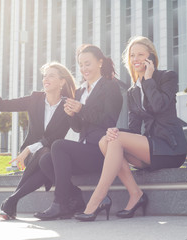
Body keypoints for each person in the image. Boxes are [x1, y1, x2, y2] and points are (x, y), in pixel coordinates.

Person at [75, 36, 187, 221]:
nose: (135, 58)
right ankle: (135, 194)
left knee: (114, 138)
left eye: (141, 54)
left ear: (150, 57)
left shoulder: (166, 77)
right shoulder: (132, 91)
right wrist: (115, 132)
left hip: (170, 148)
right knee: (107, 140)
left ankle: (96, 200)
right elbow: (134, 130)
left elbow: (160, 105)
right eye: (132, 55)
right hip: (149, 150)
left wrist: (149, 79)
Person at [33, 44, 123, 220]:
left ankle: (59, 203)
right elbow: (78, 128)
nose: (83, 69)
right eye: (81, 65)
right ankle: (73, 198)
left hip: (101, 151)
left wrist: (81, 109)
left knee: (58, 145)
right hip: (84, 150)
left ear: (100, 62)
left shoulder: (110, 86)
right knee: (45, 160)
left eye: (87, 64)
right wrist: (71, 115)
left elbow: (108, 121)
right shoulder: (81, 90)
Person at [0, 59, 76, 220]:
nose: (45, 79)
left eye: (51, 76)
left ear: (62, 81)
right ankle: (12, 201)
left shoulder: (68, 106)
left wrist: (29, 149)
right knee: (44, 155)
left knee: (46, 154)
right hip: (30, 156)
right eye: (45, 76)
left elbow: (53, 138)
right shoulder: (35, 99)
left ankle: (11, 201)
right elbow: (0, 105)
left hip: (48, 155)